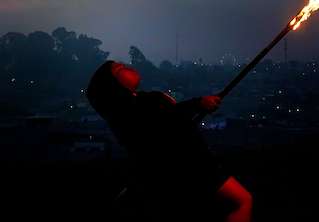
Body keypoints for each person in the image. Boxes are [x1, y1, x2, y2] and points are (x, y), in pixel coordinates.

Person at [87, 60, 252, 221]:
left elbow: (169, 115)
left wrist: (196, 104)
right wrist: (197, 104)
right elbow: (169, 118)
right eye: (119, 69)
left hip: (171, 181)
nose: (126, 67)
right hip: (190, 171)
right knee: (240, 201)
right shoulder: (133, 111)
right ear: (113, 86)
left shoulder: (128, 113)